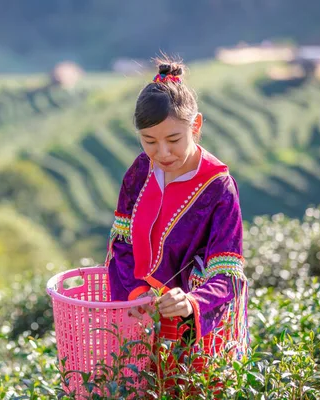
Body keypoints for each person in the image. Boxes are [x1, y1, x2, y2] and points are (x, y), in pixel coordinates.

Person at [105, 58, 250, 390]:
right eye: (149, 141)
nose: (163, 152)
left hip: (196, 329)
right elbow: (123, 244)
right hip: (142, 319)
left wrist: (192, 302)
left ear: (196, 125)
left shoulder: (218, 188)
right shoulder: (140, 171)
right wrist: (137, 293)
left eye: (174, 139)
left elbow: (226, 272)